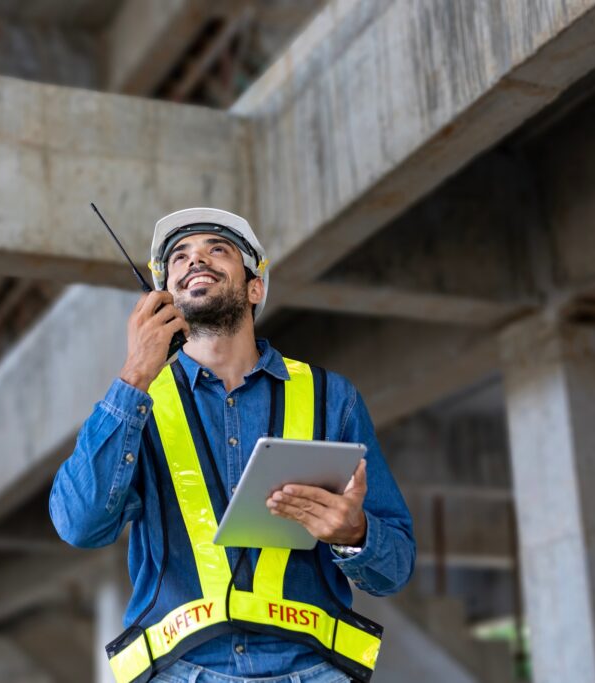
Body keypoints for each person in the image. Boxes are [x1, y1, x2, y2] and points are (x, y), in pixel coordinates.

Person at [50, 208, 415, 683]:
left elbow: (396, 568)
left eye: (216, 250)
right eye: (179, 257)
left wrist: (355, 534)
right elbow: (80, 524)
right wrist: (136, 372)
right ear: (165, 295)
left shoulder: (332, 397)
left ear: (254, 287)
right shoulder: (136, 403)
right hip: (179, 671)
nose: (194, 261)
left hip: (312, 670)